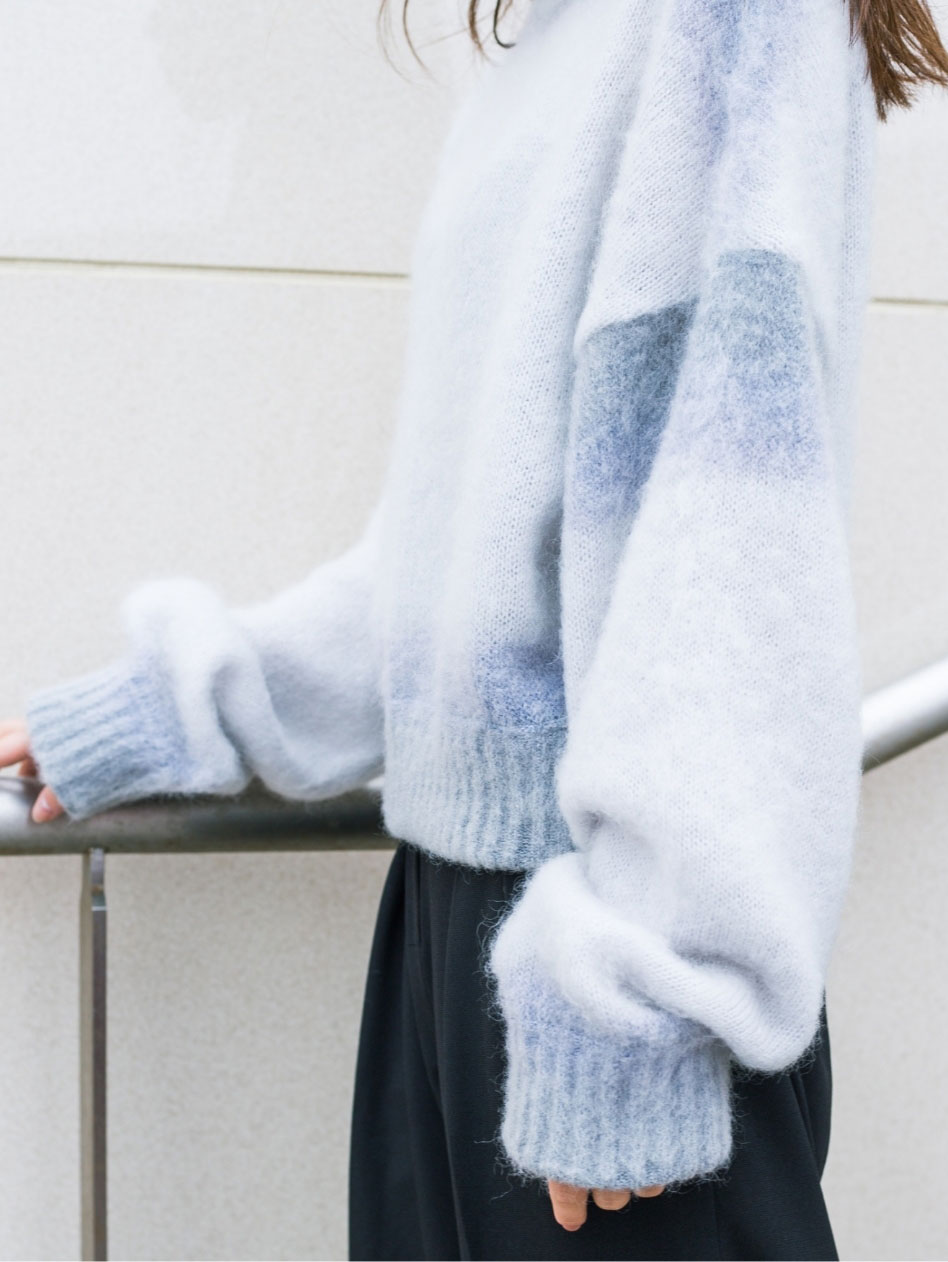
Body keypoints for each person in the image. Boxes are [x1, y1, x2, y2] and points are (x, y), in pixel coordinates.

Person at [2, 0, 947, 1258]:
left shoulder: (729, 16)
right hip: (457, 936)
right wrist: (193, 701)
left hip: (610, 970)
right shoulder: (541, 43)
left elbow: (728, 524)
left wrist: (649, 984)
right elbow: (455, 546)